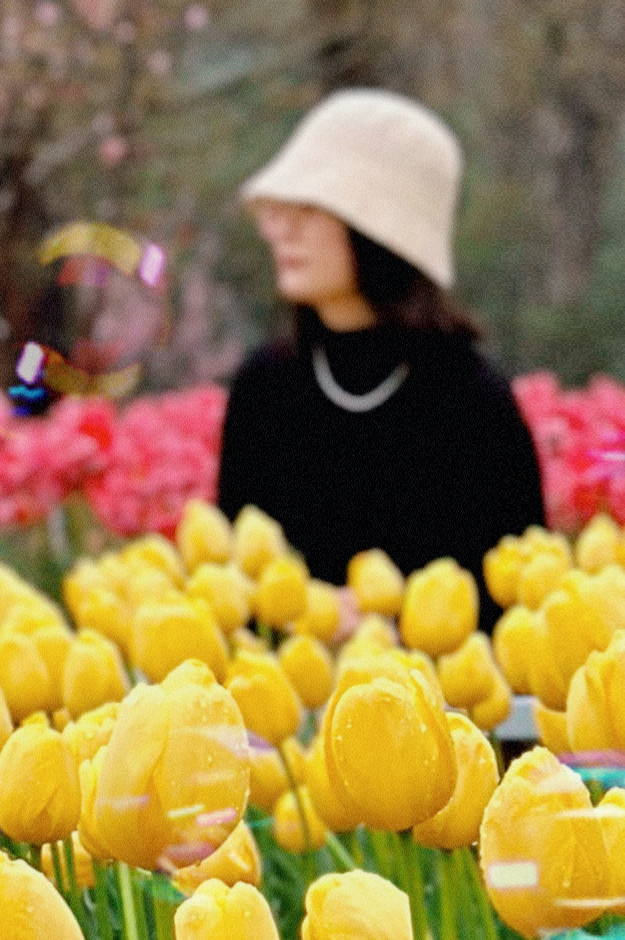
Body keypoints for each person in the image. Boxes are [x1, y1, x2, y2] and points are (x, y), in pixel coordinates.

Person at [217, 89, 545, 624]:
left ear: (381, 231)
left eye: (312, 209)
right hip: (284, 700)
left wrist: (392, 630)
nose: (281, 231)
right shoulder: (266, 389)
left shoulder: (471, 403)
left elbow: (516, 608)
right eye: (281, 210)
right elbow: (232, 588)